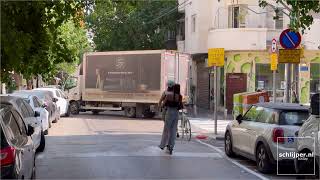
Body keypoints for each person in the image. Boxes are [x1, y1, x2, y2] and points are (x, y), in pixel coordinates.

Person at [159, 83, 183, 155]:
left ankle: (162, 145)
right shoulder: (180, 96)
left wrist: (163, 106)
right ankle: (171, 146)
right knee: (173, 131)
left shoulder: (169, 95)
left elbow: (163, 104)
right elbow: (181, 105)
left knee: (166, 129)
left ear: (173, 88)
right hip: (176, 113)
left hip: (169, 112)